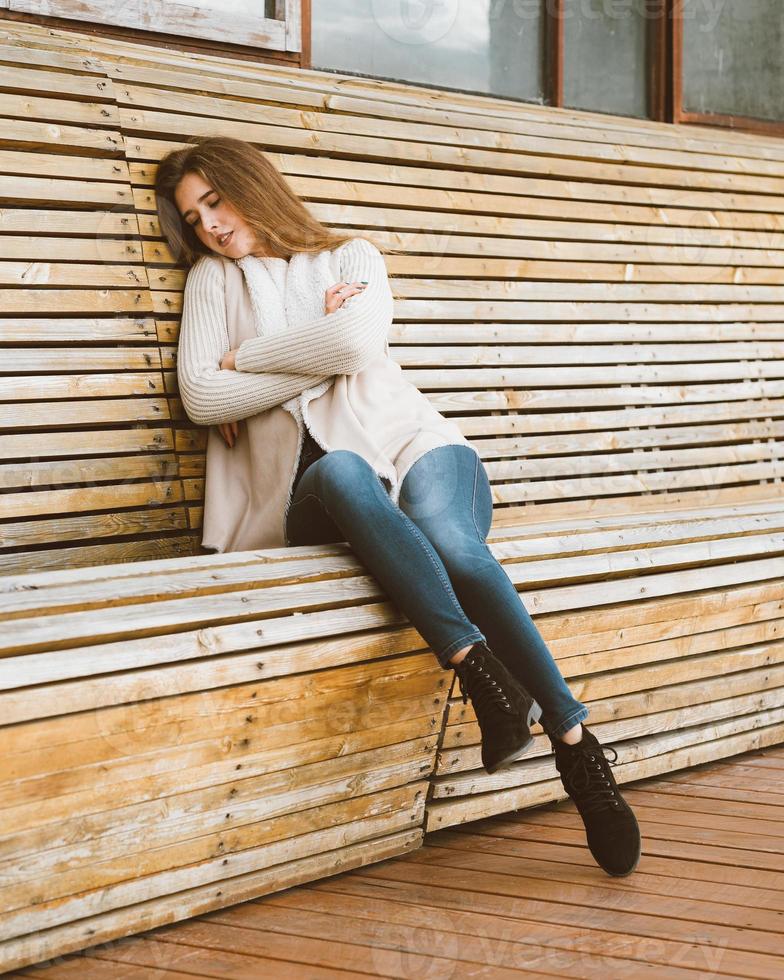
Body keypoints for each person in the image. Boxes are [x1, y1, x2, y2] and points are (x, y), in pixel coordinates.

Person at [155, 136, 641, 877]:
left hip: (419, 446)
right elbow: (201, 396)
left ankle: (575, 746)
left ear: (251, 183)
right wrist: (312, 348)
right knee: (346, 471)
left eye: (214, 202)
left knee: (447, 536)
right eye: (193, 219)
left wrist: (244, 358)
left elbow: (352, 345)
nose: (209, 226)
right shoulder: (213, 284)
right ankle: (483, 673)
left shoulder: (351, 258)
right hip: (309, 491)